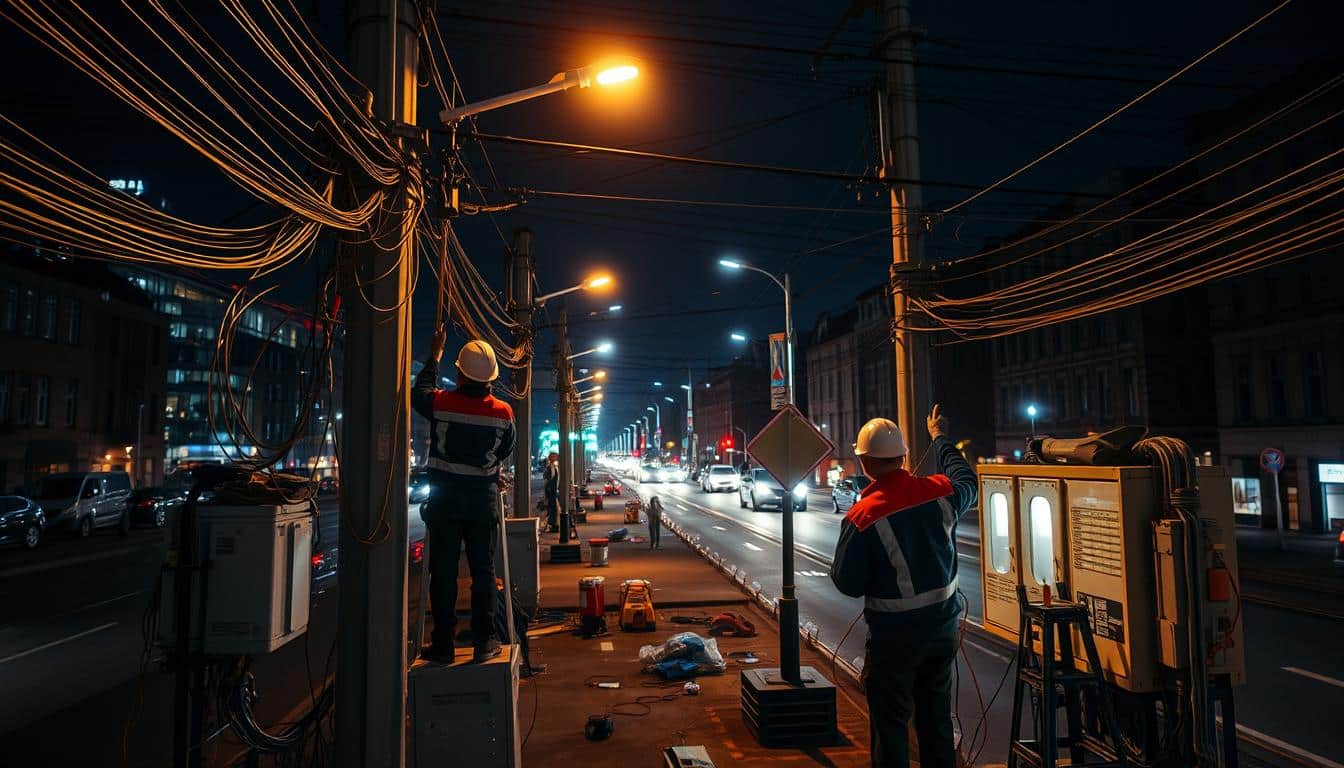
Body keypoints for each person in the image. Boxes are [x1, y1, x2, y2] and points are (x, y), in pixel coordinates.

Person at [828, 405, 977, 768]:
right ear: (905, 455)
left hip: (894, 642)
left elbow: (847, 582)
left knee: (891, 728)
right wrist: (939, 437)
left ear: (864, 462)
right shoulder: (940, 493)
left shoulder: (863, 516)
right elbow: (967, 481)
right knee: (937, 720)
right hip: (942, 632)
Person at [412, 329, 516, 664]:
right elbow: (504, 450)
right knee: (483, 569)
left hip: (444, 501)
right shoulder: (503, 413)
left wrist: (434, 355)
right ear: (492, 379)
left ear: (459, 373)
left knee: (442, 571)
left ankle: (443, 643)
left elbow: (419, 393)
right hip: (481, 501)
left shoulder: (442, 403)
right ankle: (486, 641)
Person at [543, 452, 560, 532]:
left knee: (554, 508)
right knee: (554, 508)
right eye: (553, 456)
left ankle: (552, 524)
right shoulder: (550, 467)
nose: (555, 458)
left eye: (555, 456)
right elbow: (548, 480)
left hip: (553, 490)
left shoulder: (553, 467)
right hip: (551, 491)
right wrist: (548, 490)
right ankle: (553, 525)